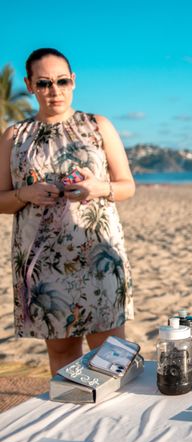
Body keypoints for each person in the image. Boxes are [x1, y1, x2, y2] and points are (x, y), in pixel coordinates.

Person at [0, 48, 135, 375]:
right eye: (44, 83)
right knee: (64, 361)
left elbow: (127, 185)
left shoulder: (97, 125)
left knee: (112, 360)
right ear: (30, 85)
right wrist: (26, 193)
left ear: (73, 81)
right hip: (43, 264)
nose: (54, 91)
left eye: (61, 81)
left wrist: (97, 188)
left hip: (98, 257)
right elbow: (0, 199)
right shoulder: (14, 136)